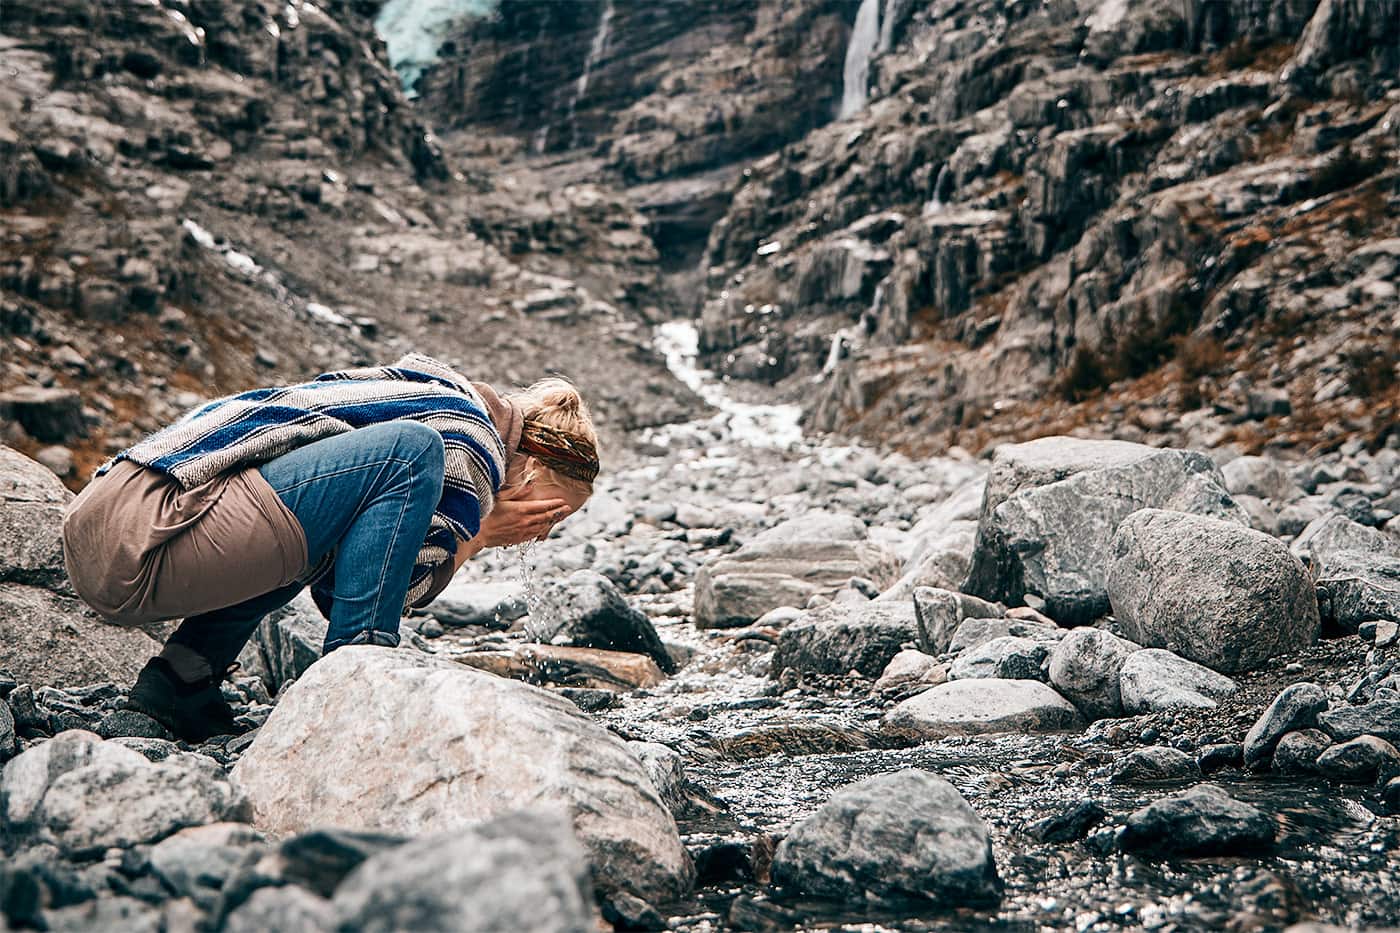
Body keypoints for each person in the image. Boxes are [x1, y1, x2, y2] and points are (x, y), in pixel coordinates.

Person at [60, 353, 600, 741]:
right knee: (412, 451)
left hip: (113, 515)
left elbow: (347, 581)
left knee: (321, 531)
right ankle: (357, 689)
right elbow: (394, 591)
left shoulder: (432, 391)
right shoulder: (472, 440)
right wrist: (479, 534)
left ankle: (182, 680)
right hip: (157, 531)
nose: (542, 534)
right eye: (552, 514)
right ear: (531, 470)